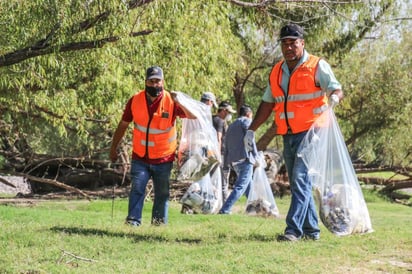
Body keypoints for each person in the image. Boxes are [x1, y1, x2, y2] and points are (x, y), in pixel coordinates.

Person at [244, 23, 343, 241]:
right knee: (302, 183)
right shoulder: (277, 71)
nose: (288, 48)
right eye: (284, 43)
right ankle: (311, 231)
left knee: (299, 179)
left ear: (302, 43)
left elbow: (336, 88)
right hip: (288, 134)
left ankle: (292, 230)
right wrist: (251, 130)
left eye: (293, 43)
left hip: (313, 132)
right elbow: (267, 103)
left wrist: (335, 96)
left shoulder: (317, 65)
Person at [110, 66, 196, 226]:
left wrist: (181, 101)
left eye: (158, 81)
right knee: (137, 188)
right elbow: (123, 125)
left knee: (162, 193)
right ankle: (133, 222)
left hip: (164, 157)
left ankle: (158, 224)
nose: (155, 84)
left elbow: (193, 115)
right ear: (146, 82)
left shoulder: (171, 101)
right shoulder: (135, 100)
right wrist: (113, 147)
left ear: (163, 82)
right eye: (152, 81)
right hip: (140, 157)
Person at [219, 105, 256, 214]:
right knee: (240, 187)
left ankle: (255, 208)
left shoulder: (231, 125)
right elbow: (250, 140)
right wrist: (255, 155)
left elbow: (226, 145)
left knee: (249, 186)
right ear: (249, 114)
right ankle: (225, 209)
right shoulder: (246, 122)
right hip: (245, 159)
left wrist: (226, 163)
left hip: (234, 161)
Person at [213, 101, 236, 203]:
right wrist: (218, 155)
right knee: (224, 180)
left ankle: (215, 202)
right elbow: (218, 137)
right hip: (221, 154)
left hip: (211, 153)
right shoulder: (220, 121)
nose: (229, 115)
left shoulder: (212, 119)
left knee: (215, 178)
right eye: (228, 112)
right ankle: (225, 204)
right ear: (223, 110)